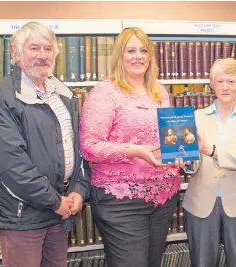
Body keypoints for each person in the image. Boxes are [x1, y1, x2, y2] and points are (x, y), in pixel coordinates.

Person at [0, 21, 90, 267]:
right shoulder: (1, 99)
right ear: (16, 54)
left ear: (56, 54)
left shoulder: (63, 95)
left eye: (48, 49)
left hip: (61, 211)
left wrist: (79, 191)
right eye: (34, 48)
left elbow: (79, 150)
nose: (42, 55)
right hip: (24, 216)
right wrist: (55, 202)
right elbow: (11, 165)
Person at [79, 27, 182, 267]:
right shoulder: (105, 92)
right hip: (121, 201)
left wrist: (179, 154)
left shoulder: (159, 90)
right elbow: (89, 146)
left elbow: (168, 138)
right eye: (131, 50)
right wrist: (134, 151)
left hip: (164, 197)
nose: (138, 56)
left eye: (143, 50)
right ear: (119, 56)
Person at [182, 58, 236, 267]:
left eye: (231, 81)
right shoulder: (195, 117)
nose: (225, 87)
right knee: (202, 263)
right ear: (212, 84)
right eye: (220, 81)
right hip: (200, 203)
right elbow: (192, 164)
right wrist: (186, 162)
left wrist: (213, 151)